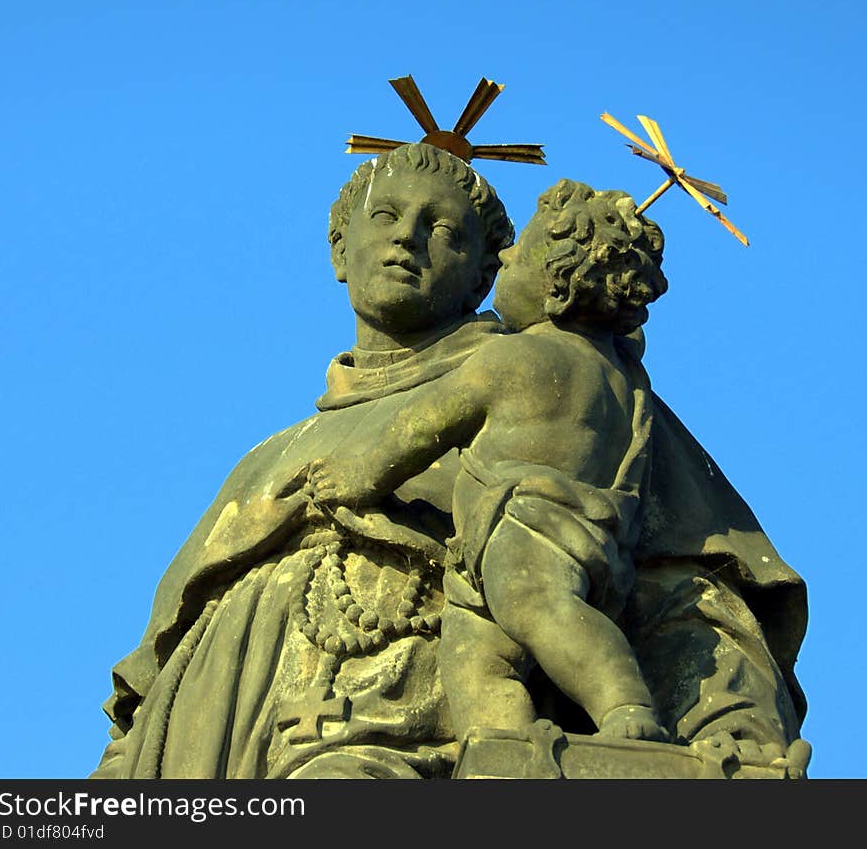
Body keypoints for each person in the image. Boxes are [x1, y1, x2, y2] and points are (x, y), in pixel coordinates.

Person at [92, 148, 808, 780]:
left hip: (410, 757)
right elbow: (152, 678)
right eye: (387, 216)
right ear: (339, 251)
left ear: (484, 275)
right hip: (218, 752)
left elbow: (696, 595)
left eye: (441, 228)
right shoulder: (266, 458)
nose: (407, 235)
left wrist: (730, 733)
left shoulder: (552, 391)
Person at [298, 181, 670, 744]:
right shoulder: (628, 379)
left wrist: (356, 476)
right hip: (570, 541)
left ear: (555, 283)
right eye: (385, 214)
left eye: (514, 255)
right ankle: (502, 747)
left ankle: (624, 706)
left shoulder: (510, 358)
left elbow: (420, 428)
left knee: (543, 611)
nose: (504, 259)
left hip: (523, 531)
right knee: (474, 650)